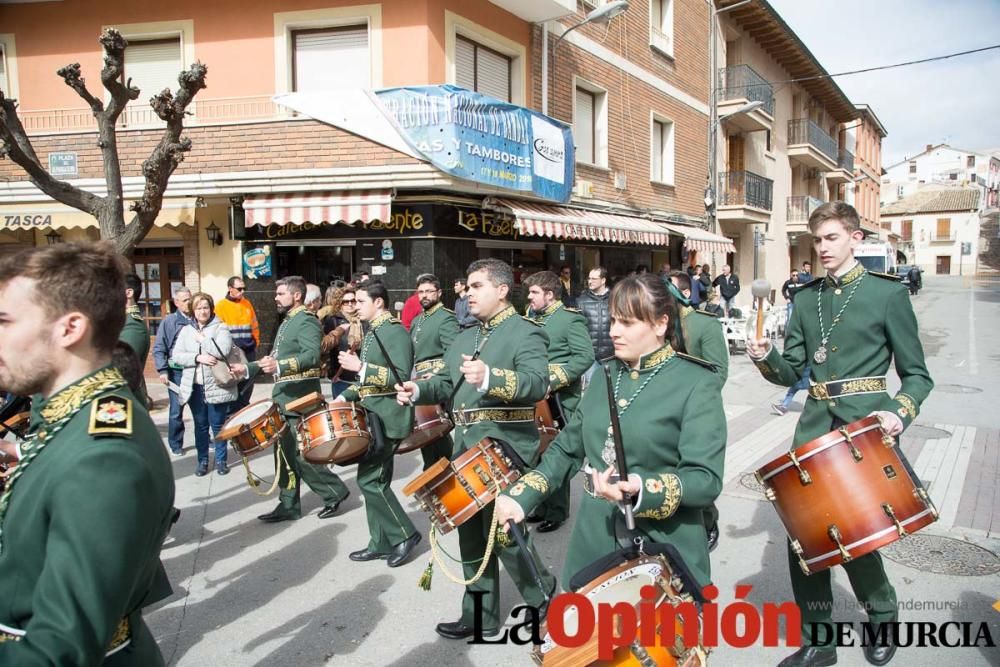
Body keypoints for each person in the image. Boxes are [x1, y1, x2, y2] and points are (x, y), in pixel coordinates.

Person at [747, 201, 933, 667]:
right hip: (813, 428)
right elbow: (792, 369)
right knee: (804, 539)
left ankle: (883, 612)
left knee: (856, 535)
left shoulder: (886, 295)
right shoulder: (805, 299)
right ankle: (819, 641)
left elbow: (917, 376)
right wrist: (765, 354)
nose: (823, 248)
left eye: (831, 238)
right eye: (818, 240)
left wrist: (897, 413)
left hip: (865, 430)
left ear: (856, 239)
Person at [493, 274, 726, 601]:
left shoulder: (696, 382)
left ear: (661, 324)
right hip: (594, 540)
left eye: (627, 323)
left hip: (663, 545)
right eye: (614, 320)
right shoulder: (606, 374)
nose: (613, 331)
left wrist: (643, 490)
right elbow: (567, 448)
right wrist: (521, 495)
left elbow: (705, 479)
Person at [0, 242, 174, 665]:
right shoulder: (73, 415)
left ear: (69, 328)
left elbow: (59, 646)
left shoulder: (103, 456)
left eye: (4, 321)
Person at [396, 258, 556, 640]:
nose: (468, 293)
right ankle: (479, 615)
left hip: (505, 444)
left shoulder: (524, 332)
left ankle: (545, 595)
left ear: (502, 290)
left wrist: (491, 377)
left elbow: (536, 384)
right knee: (470, 534)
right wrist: (417, 390)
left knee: (505, 533)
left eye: (477, 286)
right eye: (467, 287)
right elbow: (446, 384)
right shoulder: (466, 337)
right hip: (466, 447)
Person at [232, 276, 351, 522]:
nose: (275, 297)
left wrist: (280, 365)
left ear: (297, 296)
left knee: (302, 454)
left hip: (301, 398)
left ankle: (334, 492)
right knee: (284, 453)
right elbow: (273, 358)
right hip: (285, 398)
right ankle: (288, 505)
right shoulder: (288, 321)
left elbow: (311, 356)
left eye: (280, 293)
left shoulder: (305, 321)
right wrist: (246, 369)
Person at [334, 281, 421, 568]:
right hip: (374, 414)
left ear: (378, 302)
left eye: (360, 301)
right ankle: (381, 542)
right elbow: (366, 384)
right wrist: (342, 398)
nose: (354, 306)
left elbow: (399, 378)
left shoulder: (393, 331)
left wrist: (360, 367)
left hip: (388, 417)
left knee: (371, 481)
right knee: (372, 480)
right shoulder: (375, 332)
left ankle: (405, 534)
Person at [523, 271, 594, 533]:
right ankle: (541, 505)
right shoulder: (531, 319)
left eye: (534, 293)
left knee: (555, 453)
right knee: (537, 453)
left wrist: (554, 379)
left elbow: (584, 357)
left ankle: (557, 510)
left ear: (550, 295)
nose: (529, 297)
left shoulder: (569, 320)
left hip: (561, 399)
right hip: (534, 398)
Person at [170, 292, 237, 476]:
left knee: (218, 425)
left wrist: (203, 340)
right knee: (200, 427)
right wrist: (197, 357)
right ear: (193, 310)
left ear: (211, 309)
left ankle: (221, 461)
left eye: (206, 307)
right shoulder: (186, 330)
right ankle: (203, 461)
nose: (202, 311)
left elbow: (222, 350)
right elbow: (175, 356)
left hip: (217, 385)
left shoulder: (221, 327)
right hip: (195, 387)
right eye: (199, 308)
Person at [408, 274, 460, 469]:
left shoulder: (446, 318)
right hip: (421, 381)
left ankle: (447, 472)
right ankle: (435, 474)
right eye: (421, 292)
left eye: (429, 291)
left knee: (437, 431)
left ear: (438, 293)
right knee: (427, 434)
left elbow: (453, 350)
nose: (424, 295)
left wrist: (439, 373)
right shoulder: (417, 320)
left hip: (437, 381)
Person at [153, 286, 194, 456]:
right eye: (185, 300)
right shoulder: (169, 322)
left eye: (190, 299)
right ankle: (175, 443)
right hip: (176, 373)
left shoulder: (197, 318)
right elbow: (159, 347)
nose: (189, 303)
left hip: (195, 370)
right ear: (176, 303)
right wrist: (163, 370)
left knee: (201, 410)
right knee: (176, 411)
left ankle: (206, 439)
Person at [215, 276, 259, 412]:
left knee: (248, 384)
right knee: (234, 383)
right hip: (233, 353)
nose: (242, 291)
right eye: (239, 289)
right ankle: (232, 414)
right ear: (230, 289)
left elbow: (255, 325)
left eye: (244, 288)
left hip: (249, 350)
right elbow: (217, 330)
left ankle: (243, 410)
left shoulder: (247, 304)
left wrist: (255, 342)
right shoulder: (221, 306)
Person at [321, 285, 362, 399]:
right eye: (345, 301)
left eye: (353, 301)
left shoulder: (364, 320)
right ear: (340, 303)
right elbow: (327, 348)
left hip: (360, 376)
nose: (350, 304)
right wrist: (333, 373)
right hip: (341, 377)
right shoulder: (333, 320)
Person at [576, 266, 612, 385]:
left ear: (603, 280)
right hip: (590, 356)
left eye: (594, 278)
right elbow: (578, 330)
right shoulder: (581, 301)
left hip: (612, 355)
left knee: (612, 389)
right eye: (589, 278)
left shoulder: (615, 299)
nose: (590, 281)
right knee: (592, 389)